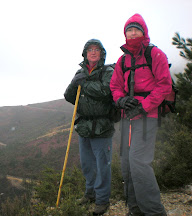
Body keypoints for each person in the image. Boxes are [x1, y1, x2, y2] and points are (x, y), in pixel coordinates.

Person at [110, 13, 171, 216]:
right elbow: (115, 86)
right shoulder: (122, 60)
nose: (133, 32)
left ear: (144, 32)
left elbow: (164, 86)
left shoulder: (155, 54)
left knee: (138, 162)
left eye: (136, 29)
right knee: (127, 164)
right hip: (127, 118)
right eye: (129, 30)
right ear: (125, 34)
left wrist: (143, 106)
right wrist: (120, 100)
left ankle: (154, 212)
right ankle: (135, 209)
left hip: (147, 118)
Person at [64, 39, 115, 215]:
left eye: (96, 49)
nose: (93, 52)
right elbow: (69, 96)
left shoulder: (108, 71)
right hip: (84, 126)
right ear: (85, 53)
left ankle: (102, 200)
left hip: (102, 125)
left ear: (102, 53)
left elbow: (105, 91)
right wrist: (74, 83)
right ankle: (90, 194)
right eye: (89, 50)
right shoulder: (80, 72)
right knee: (87, 164)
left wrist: (84, 83)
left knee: (102, 165)